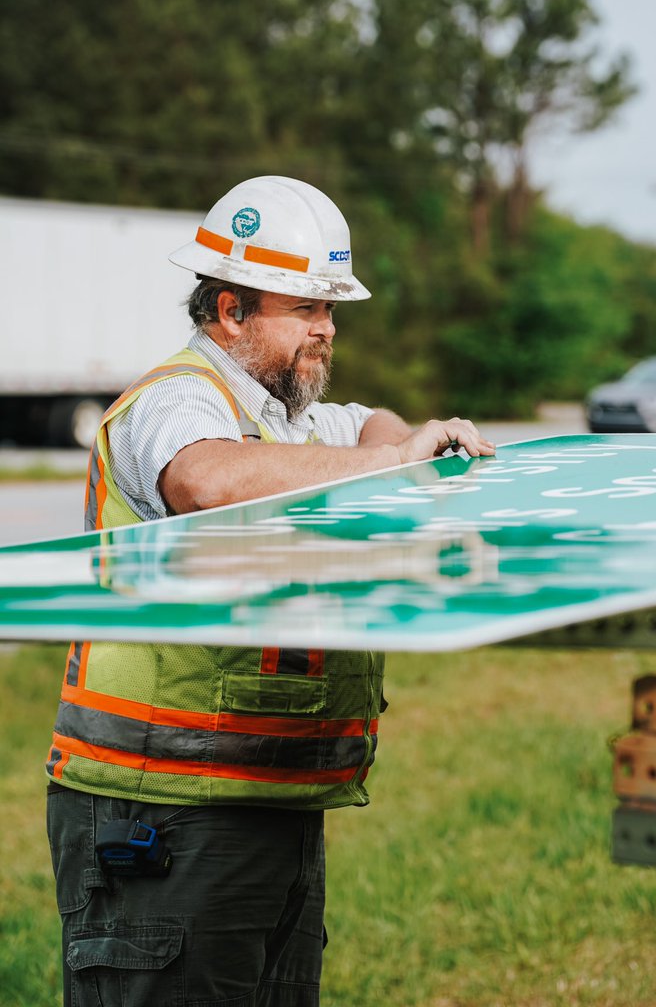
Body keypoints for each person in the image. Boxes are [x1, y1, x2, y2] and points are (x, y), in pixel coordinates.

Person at [46, 175, 495, 1006]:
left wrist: (413, 446)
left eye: (332, 311)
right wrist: (394, 466)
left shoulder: (288, 418)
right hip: (160, 811)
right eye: (307, 310)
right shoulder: (177, 399)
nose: (327, 330)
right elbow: (208, 481)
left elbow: (373, 426)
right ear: (231, 312)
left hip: (262, 799)